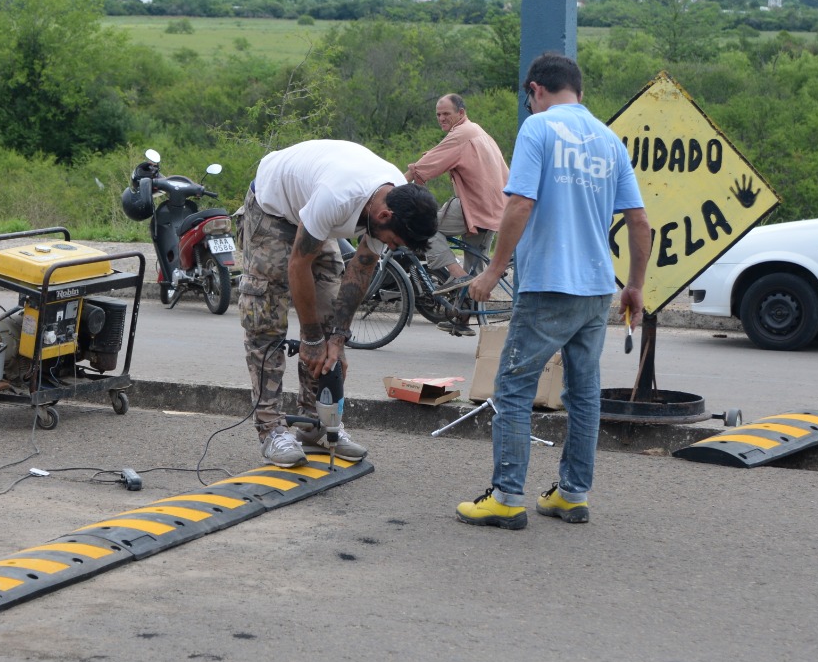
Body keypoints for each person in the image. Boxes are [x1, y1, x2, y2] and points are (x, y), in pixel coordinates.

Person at [456, 53, 650, 529]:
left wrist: (492, 271)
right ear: (578, 92)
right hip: (596, 288)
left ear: (536, 90)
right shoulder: (609, 140)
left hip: (547, 283)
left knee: (514, 387)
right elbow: (639, 221)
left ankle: (506, 497)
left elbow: (520, 203)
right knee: (583, 394)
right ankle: (572, 494)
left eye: (530, 98)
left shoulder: (538, 129)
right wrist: (635, 286)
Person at [240, 139, 439, 467]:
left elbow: (362, 266)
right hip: (273, 209)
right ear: (384, 215)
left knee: (330, 321)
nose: (390, 247)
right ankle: (270, 429)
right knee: (266, 319)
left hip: (314, 212)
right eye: (392, 241)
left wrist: (337, 337)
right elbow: (298, 265)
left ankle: (313, 425)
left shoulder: (396, 198)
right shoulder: (338, 197)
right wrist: (310, 339)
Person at [404, 93, 510, 317]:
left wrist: (395, 188)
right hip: (496, 208)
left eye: (446, 114)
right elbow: (440, 156)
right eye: (438, 115)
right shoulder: (477, 131)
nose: (441, 118)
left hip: (474, 205)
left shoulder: (461, 134)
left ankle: (456, 275)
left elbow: (423, 167)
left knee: (425, 229)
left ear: (461, 113)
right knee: (475, 268)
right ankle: (463, 318)